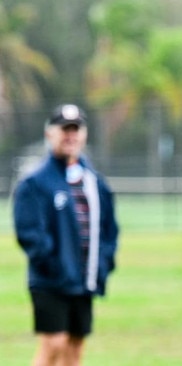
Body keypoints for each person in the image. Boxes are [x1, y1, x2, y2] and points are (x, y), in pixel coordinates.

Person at [13, 104, 119, 366]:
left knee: (75, 347)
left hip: (85, 280)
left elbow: (109, 229)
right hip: (51, 281)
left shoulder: (93, 181)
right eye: (65, 130)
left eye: (76, 130)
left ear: (83, 135)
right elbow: (30, 233)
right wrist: (55, 266)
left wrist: (103, 264)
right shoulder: (35, 183)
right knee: (53, 345)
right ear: (50, 134)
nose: (70, 136)